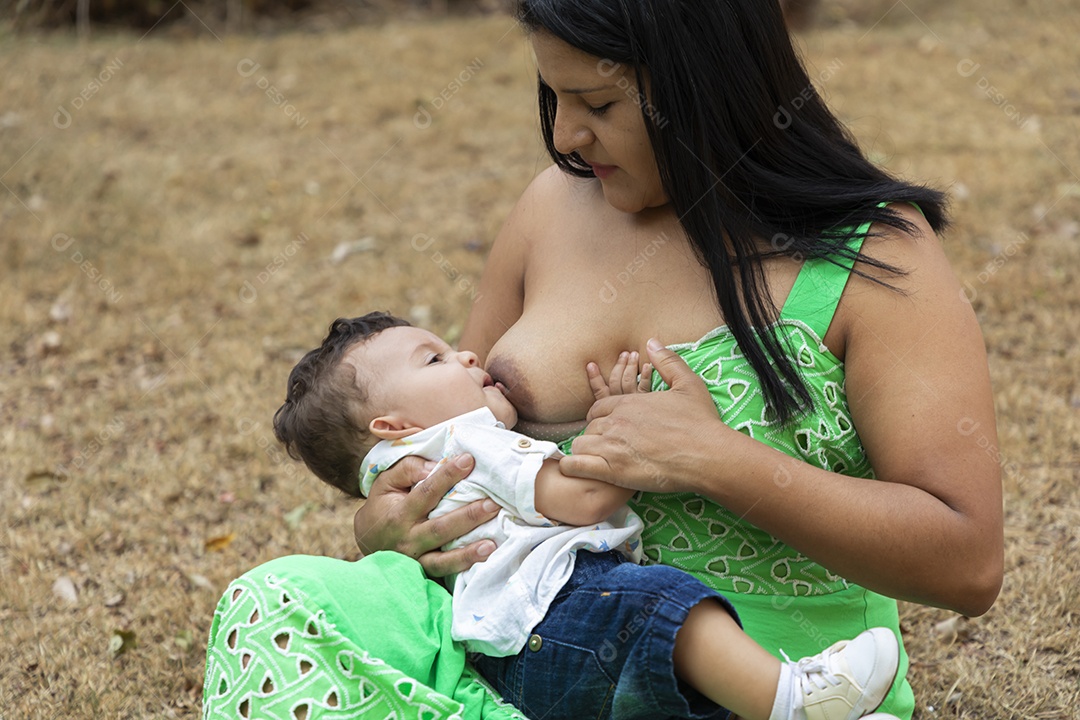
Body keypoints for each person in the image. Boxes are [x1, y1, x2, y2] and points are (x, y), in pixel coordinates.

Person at [203, 1, 1004, 718]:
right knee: (273, 603)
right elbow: (455, 437)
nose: (564, 136)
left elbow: (967, 565)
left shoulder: (874, 257)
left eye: (598, 103)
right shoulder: (551, 208)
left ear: (705, 83)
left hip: (758, 689)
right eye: (555, 97)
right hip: (521, 669)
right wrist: (391, 528)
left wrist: (721, 461)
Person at [264, 312, 902, 720]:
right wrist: (625, 426)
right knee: (665, 606)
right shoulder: (467, 446)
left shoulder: (405, 477)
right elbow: (585, 499)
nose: (464, 355)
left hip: (518, 652)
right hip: (562, 614)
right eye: (434, 360)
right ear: (395, 427)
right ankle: (792, 697)